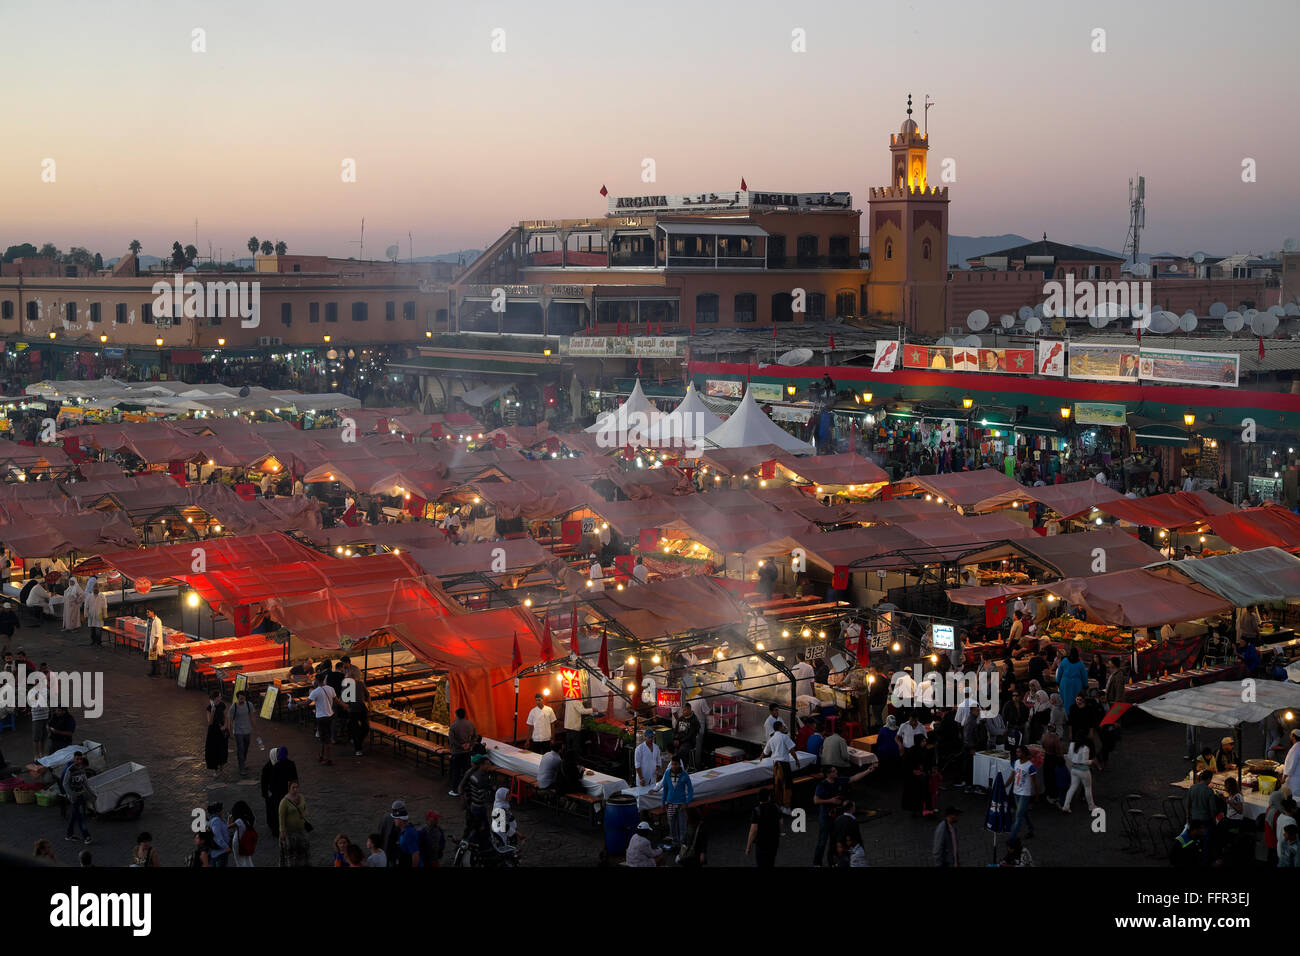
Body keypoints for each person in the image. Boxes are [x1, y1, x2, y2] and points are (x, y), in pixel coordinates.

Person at [761, 719, 798, 817]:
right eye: (782, 726)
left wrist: (759, 760)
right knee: (787, 785)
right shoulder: (784, 737)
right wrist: (797, 760)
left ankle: (779, 805)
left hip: (775, 764)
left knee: (777, 786)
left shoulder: (771, 739)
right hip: (784, 764)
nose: (783, 727)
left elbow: (765, 752)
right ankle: (786, 807)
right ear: (779, 727)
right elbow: (791, 750)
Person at [656, 754, 694, 847]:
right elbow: (665, 789)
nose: (674, 766)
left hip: (681, 804)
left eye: (675, 764)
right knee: (672, 825)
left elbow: (690, 790)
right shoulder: (667, 773)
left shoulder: (685, 775)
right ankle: (675, 842)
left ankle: (683, 844)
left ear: (679, 765)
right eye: (672, 764)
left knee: (682, 825)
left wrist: (687, 802)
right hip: (670, 804)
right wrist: (663, 803)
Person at [261, 747, 297, 839]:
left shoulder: (277, 766)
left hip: (276, 794)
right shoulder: (269, 767)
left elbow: (272, 782)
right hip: (275, 794)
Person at [61, 752, 97, 845]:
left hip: (81, 795)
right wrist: (72, 795)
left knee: (75, 815)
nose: (79, 761)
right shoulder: (70, 770)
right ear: (74, 759)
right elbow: (65, 784)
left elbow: (85, 783)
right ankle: (86, 836)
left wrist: (92, 793)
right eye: (77, 759)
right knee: (80, 817)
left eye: (80, 759)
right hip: (74, 797)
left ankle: (69, 834)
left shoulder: (82, 769)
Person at [812, 765, 842, 866]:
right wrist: (831, 800)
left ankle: (832, 862)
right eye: (834, 771)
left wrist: (868, 770)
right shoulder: (822, 785)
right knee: (822, 841)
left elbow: (853, 778)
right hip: (825, 816)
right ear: (829, 774)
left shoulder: (838, 781)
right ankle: (817, 863)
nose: (836, 772)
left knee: (834, 841)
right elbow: (816, 800)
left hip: (835, 815)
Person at [278, 780, 311, 867]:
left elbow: (305, 808)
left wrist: (304, 814)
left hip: (301, 829)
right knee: (292, 852)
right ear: (289, 789)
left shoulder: (301, 797)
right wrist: (282, 831)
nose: (295, 789)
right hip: (290, 832)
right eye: (293, 787)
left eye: (297, 787)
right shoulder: (284, 802)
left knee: (304, 849)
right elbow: (281, 817)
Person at [745, 788, 782, 867]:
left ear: (759, 798)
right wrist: (779, 833)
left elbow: (753, 830)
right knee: (771, 862)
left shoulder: (757, 810)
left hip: (762, 843)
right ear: (769, 797)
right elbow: (781, 822)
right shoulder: (776, 807)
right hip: (774, 841)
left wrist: (748, 846)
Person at [1008, 746, 1038, 839]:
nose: (1017, 754)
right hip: (1016, 792)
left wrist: (1036, 795)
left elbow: (1035, 782)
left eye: (1019, 752)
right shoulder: (1015, 763)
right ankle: (1031, 829)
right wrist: (1004, 785)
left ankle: (1012, 838)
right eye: (1017, 752)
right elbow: (1012, 777)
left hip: (1024, 794)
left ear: (1024, 754)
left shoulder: (1030, 766)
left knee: (1018, 817)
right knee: (1023, 813)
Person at [307, 672, 337, 765]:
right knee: (324, 738)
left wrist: (297, 705)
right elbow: (337, 700)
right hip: (330, 716)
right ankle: (322, 755)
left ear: (316, 680)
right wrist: (345, 706)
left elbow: (307, 702)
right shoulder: (330, 689)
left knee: (325, 739)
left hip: (321, 718)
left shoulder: (316, 691)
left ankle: (328, 759)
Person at [1061, 737, 1098, 813]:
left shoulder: (1071, 745)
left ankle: (1066, 806)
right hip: (1084, 771)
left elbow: (1069, 757)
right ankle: (1091, 806)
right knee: (1087, 788)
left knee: (1072, 788)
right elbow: (1085, 762)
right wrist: (1092, 761)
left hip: (1074, 769)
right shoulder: (1085, 748)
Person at [447, 708, 477, 796]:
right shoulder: (470, 724)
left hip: (456, 752)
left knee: (456, 771)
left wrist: (461, 745)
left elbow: (451, 740)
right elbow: (476, 736)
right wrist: (469, 744)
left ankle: (456, 790)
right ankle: (467, 788)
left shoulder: (453, 726)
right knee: (466, 770)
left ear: (456, 715)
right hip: (467, 752)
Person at [1055, 647, 1088, 715]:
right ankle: (1073, 715)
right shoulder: (1080, 663)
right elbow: (1084, 675)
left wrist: (1057, 681)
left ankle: (1066, 715)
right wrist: (1085, 685)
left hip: (1065, 683)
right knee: (1075, 700)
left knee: (1065, 700)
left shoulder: (1064, 661)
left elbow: (1060, 672)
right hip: (1076, 684)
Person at [204, 690, 230, 775]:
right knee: (213, 750)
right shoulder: (209, 708)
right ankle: (215, 769)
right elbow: (210, 722)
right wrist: (212, 712)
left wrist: (225, 726)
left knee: (222, 749)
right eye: (219, 696)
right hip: (213, 731)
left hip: (221, 730)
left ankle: (222, 768)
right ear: (215, 698)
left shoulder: (222, 705)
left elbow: (226, 717)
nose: (220, 698)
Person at [230, 802, 257, 867]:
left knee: (239, 860)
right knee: (247, 858)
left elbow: (227, 827)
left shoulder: (239, 821)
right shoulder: (250, 818)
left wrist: (229, 819)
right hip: (247, 841)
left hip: (238, 841)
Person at [207, 801, 231, 867]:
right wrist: (226, 847)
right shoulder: (216, 820)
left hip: (217, 851)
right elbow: (217, 836)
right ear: (218, 811)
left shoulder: (218, 819)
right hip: (220, 852)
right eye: (222, 809)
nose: (223, 811)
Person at [84, 584, 106, 648]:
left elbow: (104, 607)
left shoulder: (102, 596)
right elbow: (86, 606)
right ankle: (93, 641)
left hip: (100, 614)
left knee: (99, 629)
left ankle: (99, 642)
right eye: (94, 588)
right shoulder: (89, 596)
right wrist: (86, 615)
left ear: (99, 589)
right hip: (91, 614)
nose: (95, 589)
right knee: (92, 629)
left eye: (97, 588)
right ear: (93, 588)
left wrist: (105, 615)